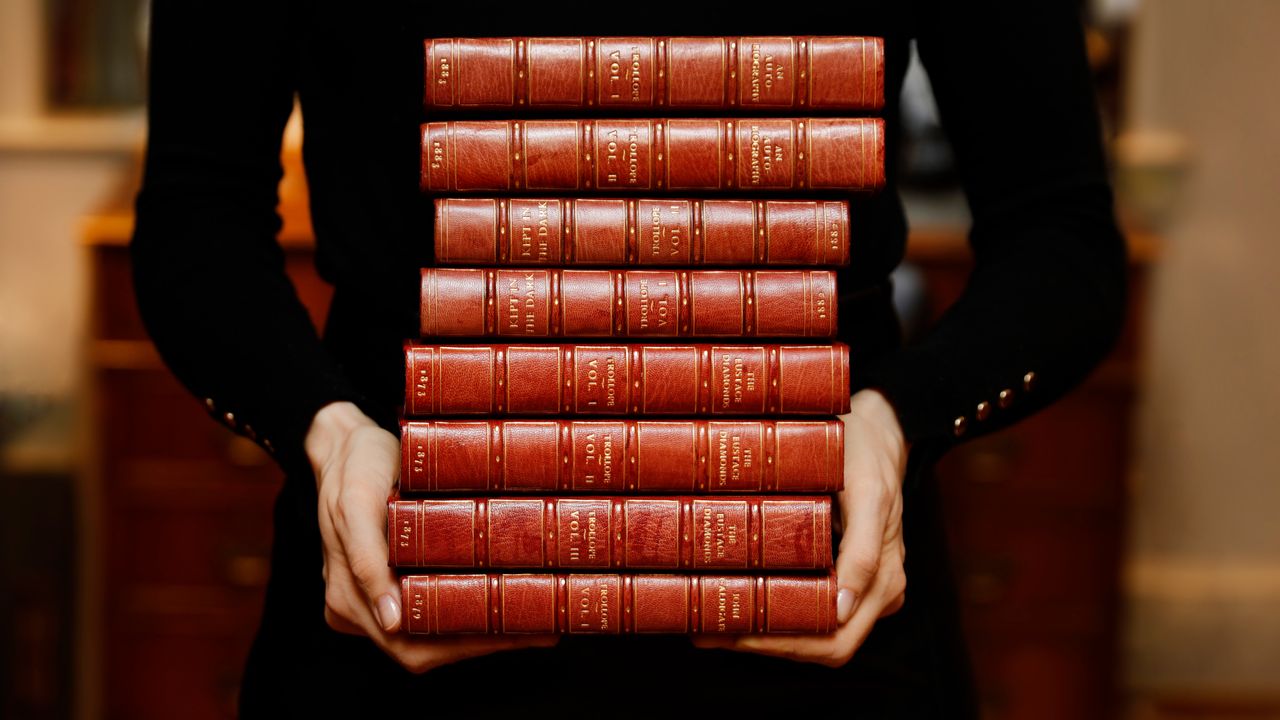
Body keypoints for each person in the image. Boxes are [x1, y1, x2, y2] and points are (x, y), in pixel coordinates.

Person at [131, 2, 1126, 717]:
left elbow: (1059, 236)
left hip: (805, 539)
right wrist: (324, 428)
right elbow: (196, 217)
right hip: (412, 541)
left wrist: (896, 419)